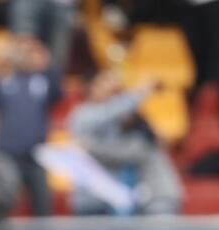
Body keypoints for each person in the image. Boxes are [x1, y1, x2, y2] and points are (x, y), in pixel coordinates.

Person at [68, 73, 181, 215]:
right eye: (107, 88)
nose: (113, 97)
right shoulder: (83, 114)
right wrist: (140, 92)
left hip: (115, 196)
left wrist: (90, 147)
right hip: (88, 196)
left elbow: (120, 152)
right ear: (93, 88)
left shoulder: (131, 132)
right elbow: (106, 115)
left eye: (115, 93)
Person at [0, 36, 61, 217]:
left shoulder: (41, 80)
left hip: (36, 153)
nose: (24, 56)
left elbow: (57, 93)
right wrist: (0, 63)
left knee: (43, 202)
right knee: (3, 201)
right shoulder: (4, 79)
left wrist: (44, 60)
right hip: (7, 153)